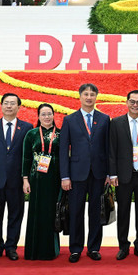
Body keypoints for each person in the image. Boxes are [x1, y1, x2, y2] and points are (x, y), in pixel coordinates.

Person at [59, 83, 111, 263]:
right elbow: (63, 150)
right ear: (80, 96)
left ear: (96, 97)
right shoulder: (69, 120)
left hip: (98, 173)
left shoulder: (104, 119)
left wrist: (109, 173)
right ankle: (75, 249)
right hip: (76, 174)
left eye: (92, 94)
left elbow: (108, 148)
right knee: (76, 211)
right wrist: (65, 176)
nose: (89, 97)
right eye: (86, 94)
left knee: (96, 212)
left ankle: (94, 248)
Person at [0, 93, 32, 262]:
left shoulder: (27, 127)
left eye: (12, 103)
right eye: (6, 103)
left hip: (16, 180)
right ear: (1, 106)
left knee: (15, 215)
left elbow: (28, 156)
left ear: (19, 107)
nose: (9, 106)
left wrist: (26, 179)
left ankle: (11, 247)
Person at [109, 90, 138, 260]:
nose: (135, 105)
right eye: (132, 101)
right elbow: (112, 150)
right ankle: (123, 246)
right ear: (127, 102)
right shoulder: (116, 123)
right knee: (124, 212)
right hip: (123, 175)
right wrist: (112, 174)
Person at [21, 103, 61, 260]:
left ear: (53, 115)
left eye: (49, 114)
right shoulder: (31, 134)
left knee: (52, 213)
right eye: (43, 114)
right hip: (36, 180)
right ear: (38, 116)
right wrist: (25, 179)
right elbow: (26, 158)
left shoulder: (61, 134)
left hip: (55, 179)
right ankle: (34, 250)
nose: (47, 117)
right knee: (36, 212)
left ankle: (50, 250)